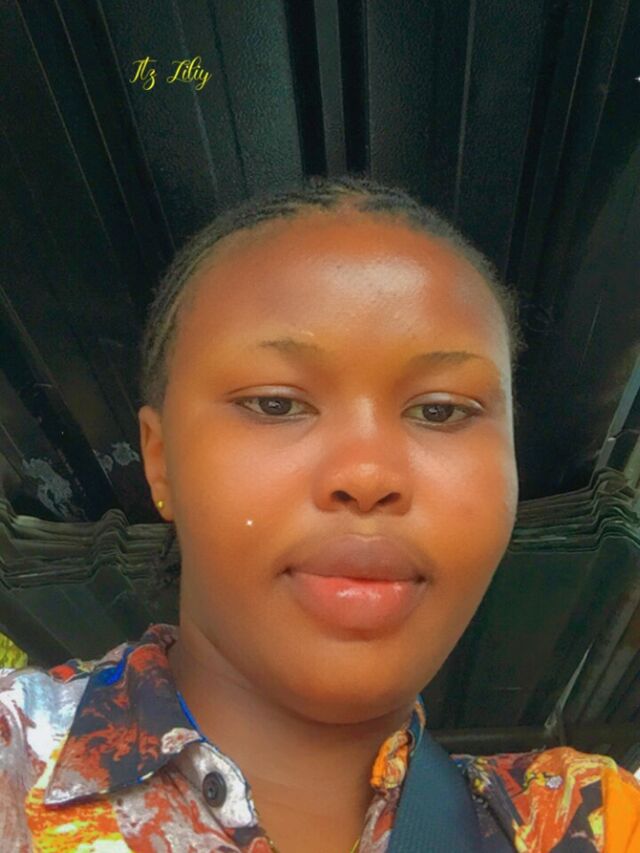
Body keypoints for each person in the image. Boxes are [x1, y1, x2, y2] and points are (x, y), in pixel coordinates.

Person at [1, 175, 639, 852]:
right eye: (275, 403)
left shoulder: (587, 821)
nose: (367, 476)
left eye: (440, 410)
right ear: (160, 462)